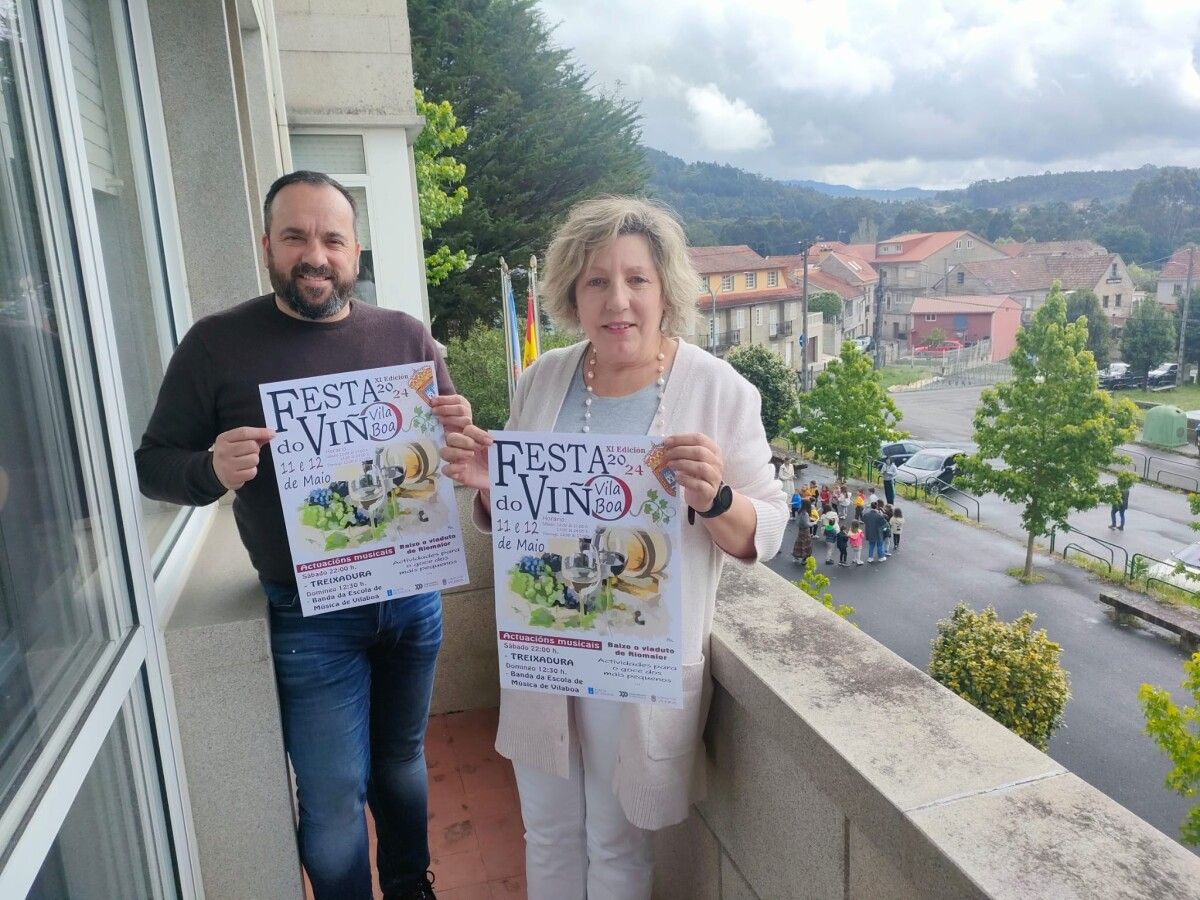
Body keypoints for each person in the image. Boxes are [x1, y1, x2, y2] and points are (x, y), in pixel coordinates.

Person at [437, 196, 787, 899]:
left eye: (637, 280)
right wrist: (489, 485)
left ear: (666, 292)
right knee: (547, 830)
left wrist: (716, 498)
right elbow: (523, 514)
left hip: (635, 660)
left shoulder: (719, 391)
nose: (617, 300)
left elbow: (768, 528)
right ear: (573, 293)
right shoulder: (544, 378)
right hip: (546, 650)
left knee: (618, 844)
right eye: (596, 281)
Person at [135, 171, 469, 900]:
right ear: (267, 246)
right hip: (309, 614)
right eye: (295, 237)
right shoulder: (217, 344)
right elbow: (153, 467)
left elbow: (451, 452)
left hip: (412, 598)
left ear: (355, 252)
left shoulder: (404, 335)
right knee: (332, 796)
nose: (314, 255)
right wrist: (211, 468)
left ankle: (411, 887)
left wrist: (463, 442)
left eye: (332, 239)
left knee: (402, 761)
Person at [792, 499, 814, 564]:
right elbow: (807, 524)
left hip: (800, 530)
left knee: (799, 543)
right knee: (806, 544)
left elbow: (798, 521)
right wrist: (813, 523)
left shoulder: (800, 511)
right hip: (805, 531)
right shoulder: (805, 513)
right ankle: (804, 559)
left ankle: (796, 556)